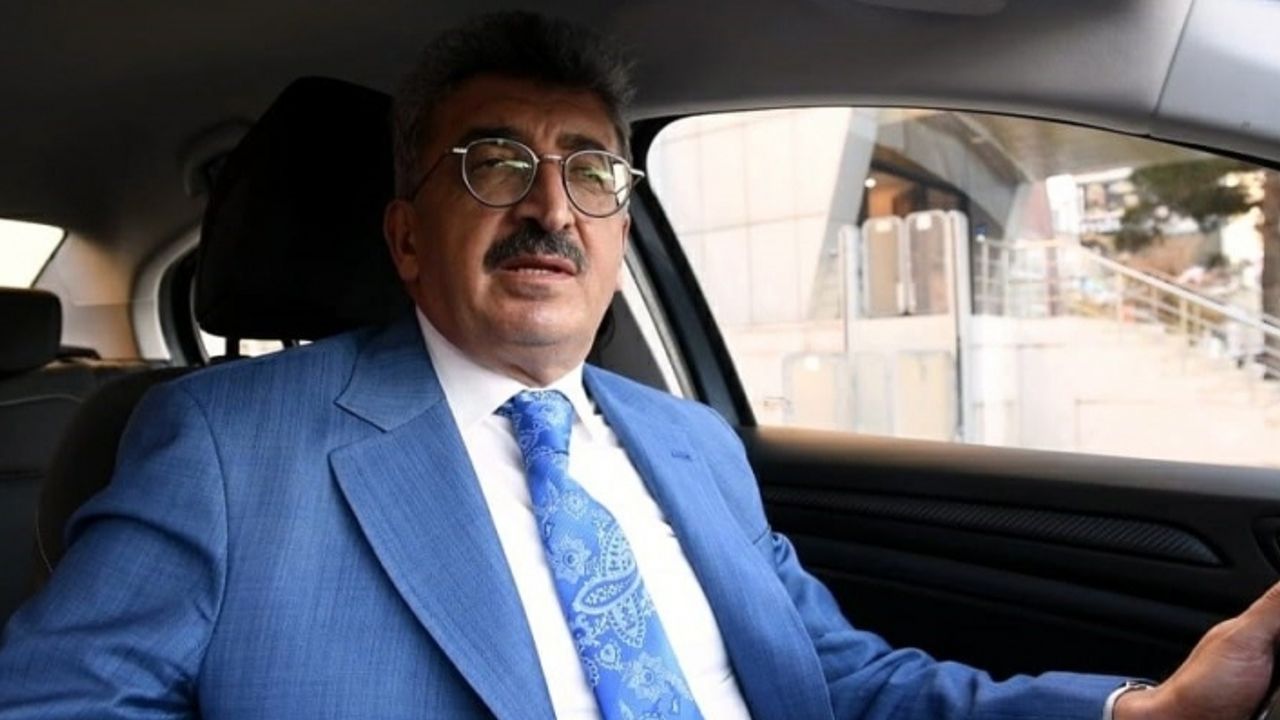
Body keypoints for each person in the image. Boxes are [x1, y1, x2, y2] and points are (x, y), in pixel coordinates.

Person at [1, 11, 1278, 720]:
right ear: (406, 237)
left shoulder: (687, 442)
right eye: (494, 164)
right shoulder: (223, 441)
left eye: (591, 172)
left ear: (617, 234)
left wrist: (1145, 712)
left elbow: (837, 680)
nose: (548, 207)